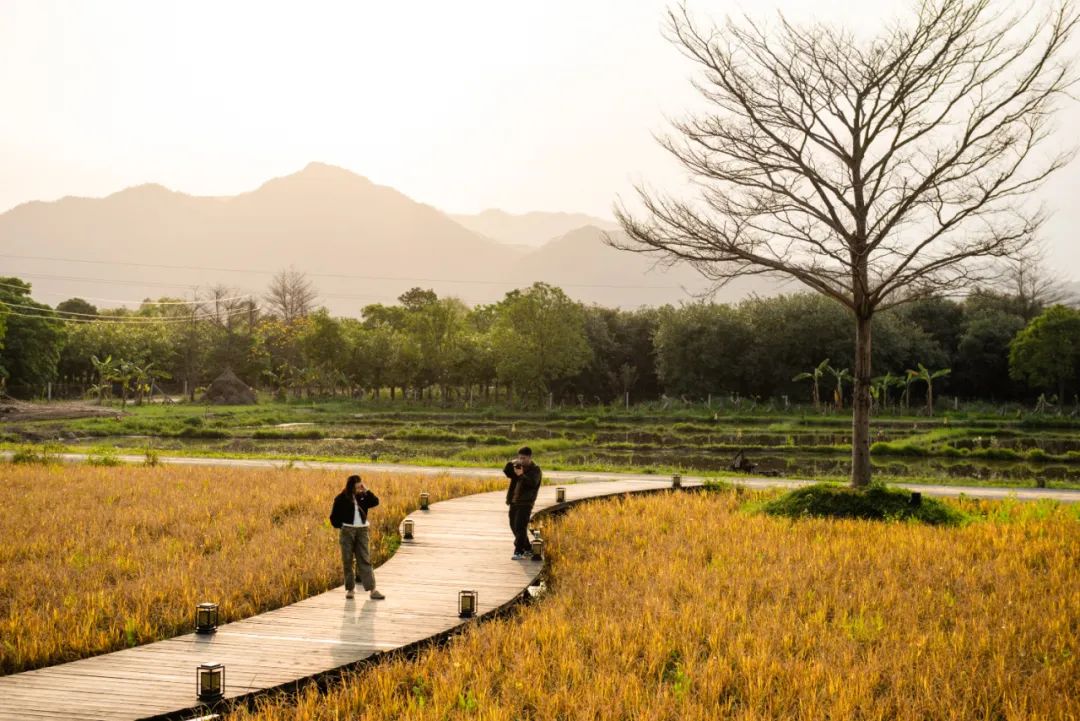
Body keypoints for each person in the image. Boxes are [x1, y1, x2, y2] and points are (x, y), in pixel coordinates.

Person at [329, 474, 386, 600]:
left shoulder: (363, 496)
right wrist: (342, 526)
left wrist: (366, 490)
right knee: (347, 560)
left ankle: (373, 590)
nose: (358, 489)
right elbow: (333, 517)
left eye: (360, 486)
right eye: (357, 487)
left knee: (365, 559)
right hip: (347, 531)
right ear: (350, 487)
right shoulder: (341, 498)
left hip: (362, 531)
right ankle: (350, 590)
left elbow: (375, 502)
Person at [503, 446, 542, 559]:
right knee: (513, 526)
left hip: (526, 503)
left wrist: (521, 475)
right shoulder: (518, 466)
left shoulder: (535, 470)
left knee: (520, 527)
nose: (521, 460)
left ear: (530, 457)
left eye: (523, 458)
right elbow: (506, 472)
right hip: (513, 501)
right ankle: (528, 549)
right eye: (519, 458)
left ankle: (518, 551)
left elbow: (532, 483)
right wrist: (511, 463)